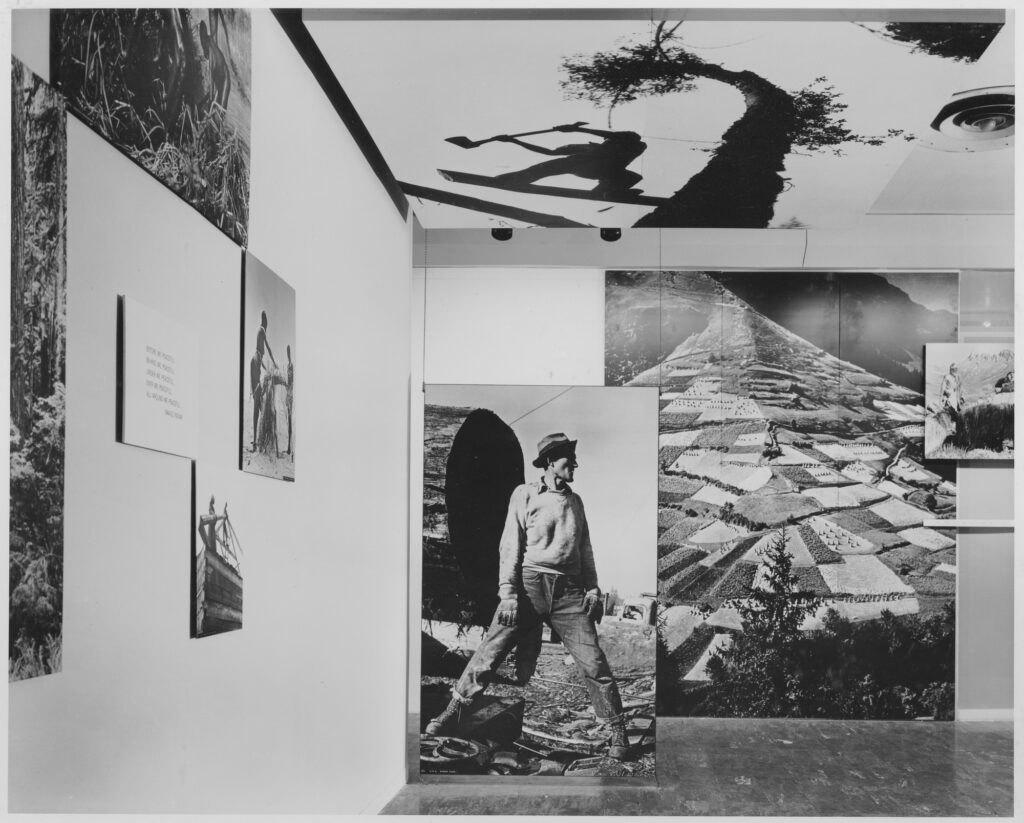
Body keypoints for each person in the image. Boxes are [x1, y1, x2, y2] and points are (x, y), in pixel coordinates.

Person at [425, 433, 630, 760]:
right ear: (550, 462)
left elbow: (586, 551)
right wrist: (507, 593)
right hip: (528, 587)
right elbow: (511, 545)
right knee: (490, 652)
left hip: (569, 594)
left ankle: (617, 732)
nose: (574, 464)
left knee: (594, 662)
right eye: (568, 459)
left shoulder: (576, 502)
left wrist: (592, 588)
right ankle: (450, 713)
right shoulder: (525, 495)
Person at [476, 124, 646, 199]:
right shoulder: (590, 148)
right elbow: (549, 152)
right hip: (583, 168)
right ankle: (509, 179)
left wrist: (577, 129)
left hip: (598, 171)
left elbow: (617, 137)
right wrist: (515, 141)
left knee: (632, 177)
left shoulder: (636, 145)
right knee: (543, 169)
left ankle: (604, 192)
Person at [250, 310, 277, 452]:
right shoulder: (262, 330)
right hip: (256, 362)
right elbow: (268, 349)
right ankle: (256, 440)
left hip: (255, 362)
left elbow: (259, 354)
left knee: (258, 402)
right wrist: (274, 363)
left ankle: (257, 439)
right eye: (267, 323)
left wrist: (266, 368)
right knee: (257, 403)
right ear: (265, 322)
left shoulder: (259, 332)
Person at [285, 345, 294, 456]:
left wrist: (289, 395)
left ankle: (289, 448)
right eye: (287, 352)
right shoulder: (288, 365)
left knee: (290, 421)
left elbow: (291, 382)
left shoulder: (291, 366)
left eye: (289, 352)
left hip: (290, 395)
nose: (288, 354)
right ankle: (288, 447)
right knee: (288, 420)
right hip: (288, 394)